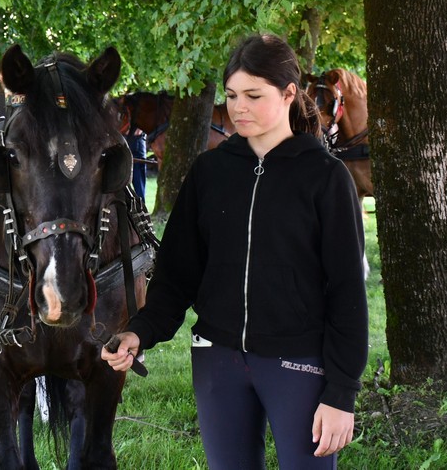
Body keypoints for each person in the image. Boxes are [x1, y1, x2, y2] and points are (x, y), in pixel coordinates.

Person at [102, 34, 369, 468]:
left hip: (298, 362)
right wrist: (139, 331)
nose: (238, 107)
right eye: (230, 95)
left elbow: (346, 292)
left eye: (252, 95)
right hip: (217, 359)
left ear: (288, 94)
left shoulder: (326, 177)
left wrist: (341, 393)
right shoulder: (209, 172)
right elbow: (176, 275)